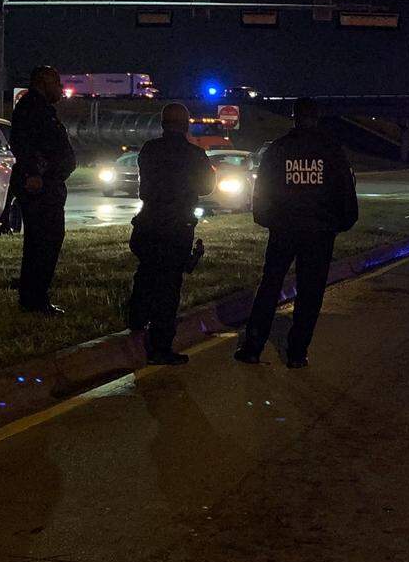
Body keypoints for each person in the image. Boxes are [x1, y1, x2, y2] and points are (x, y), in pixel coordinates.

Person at [234, 98, 359, 369]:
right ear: (317, 117)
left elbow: (263, 189)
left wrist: (265, 218)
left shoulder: (278, 149)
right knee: (310, 292)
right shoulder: (331, 151)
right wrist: (342, 222)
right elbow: (345, 191)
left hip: (284, 228)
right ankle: (297, 353)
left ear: (294, 117)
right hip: (319, 232)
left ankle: (253, 346)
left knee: (270, 285)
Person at [127, 103, 214, 365]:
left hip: (148, 220)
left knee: (146, 272)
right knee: (169, 286)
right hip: (177, 224)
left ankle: (136, 319)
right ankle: (161, 346)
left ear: (163, 124)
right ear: (186, 124)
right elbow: (207, 187)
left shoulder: (149, 150)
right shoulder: (194, 154)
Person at [9, 66, 77, 314]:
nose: (60, 87)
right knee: (43, 242)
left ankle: (35, 297)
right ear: (43, 82)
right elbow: (23, 145)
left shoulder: (43, 110)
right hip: (40, 187)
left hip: (49, 184)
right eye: (56, 82)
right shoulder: (31, 109)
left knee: (46, 241)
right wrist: (33, 174)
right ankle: (34, 300)